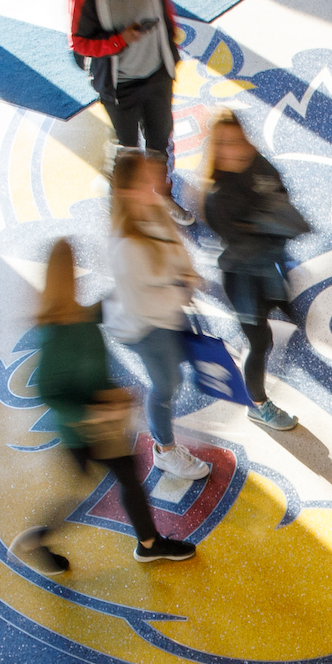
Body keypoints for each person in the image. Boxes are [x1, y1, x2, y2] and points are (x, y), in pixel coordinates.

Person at [12, 240, 196, 570]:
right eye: (71, 271)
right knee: (89, 489)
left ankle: (148, 543)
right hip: (82, 430)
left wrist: (156, 279)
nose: (78, 276)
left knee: (122, 478)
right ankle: (39, 539)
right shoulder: (55, 335)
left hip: (100, 421)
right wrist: (92, 411)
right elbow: (45, 392)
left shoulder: (81, 316)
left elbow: (117, 301)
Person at [68, 0, 190, 224]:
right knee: (128, 148)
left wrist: (170, 43)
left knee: (160, 140)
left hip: (157, 74)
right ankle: (127, 208)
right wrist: (120, 40)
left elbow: (163, 6)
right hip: (120, 85)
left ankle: (163, 195)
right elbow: (80, 43)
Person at [103, 151, 212, 482]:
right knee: (166, 386)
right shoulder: (125, 247)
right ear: (124, 191)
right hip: (144, 328)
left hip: (167, 313)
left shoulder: (153, 210)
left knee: (177, 370)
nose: (154, 185)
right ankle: (164, 451)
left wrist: (189, 275)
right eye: (144, 182)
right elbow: (140, 306)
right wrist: (180, 292)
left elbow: (176, 250)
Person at [203, 111, 308, 431]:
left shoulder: (258, 163)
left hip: (268, 266)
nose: (235, 149)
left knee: (277, 302)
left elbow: (280, 192)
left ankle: (281, 305)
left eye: (237, 139)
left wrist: (271, 215)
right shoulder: (217, 195)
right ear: (216, 150)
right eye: (225, 144)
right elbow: (240, 235)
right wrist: (267, 218)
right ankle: (257, 403)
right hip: (243, 279)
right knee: (260, 342)